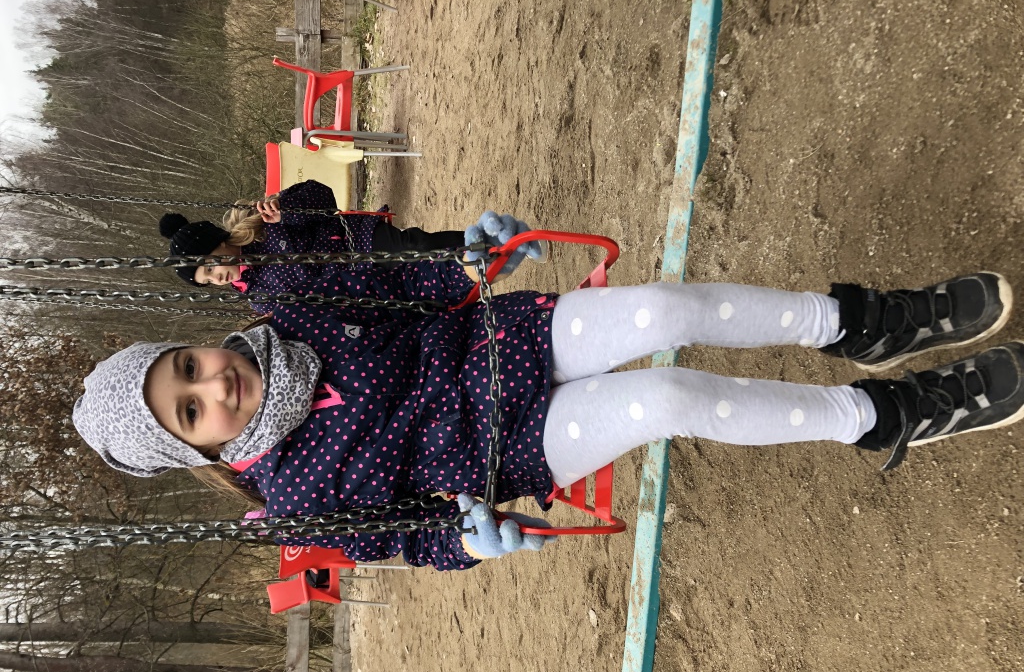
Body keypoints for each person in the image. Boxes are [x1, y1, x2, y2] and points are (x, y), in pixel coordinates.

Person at [73, 259, 1022, 571]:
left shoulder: (291, 306)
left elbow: (407, 281)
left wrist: (464, 257)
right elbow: (411, 539)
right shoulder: (297, 501)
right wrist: (472, 541)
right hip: (510, 446)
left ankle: (865, 324)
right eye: (191, 411)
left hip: (502, 343)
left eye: (188, 368)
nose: (215, 387)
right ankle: (885, 413)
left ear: (191, 344)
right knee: (665, 397)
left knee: (665, 310)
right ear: (197, 447)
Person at [162, 179, 475, 314]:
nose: (217, 279)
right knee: (427, 291)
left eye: (209, 267)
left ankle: (483, 244)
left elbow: (323, 196)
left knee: (416, 247)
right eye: (208, 281)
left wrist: (288, 211)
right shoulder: (259, 299)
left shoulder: (264, 222)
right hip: (362, 289)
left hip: (358, 242)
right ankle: (478, 280)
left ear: (216, 244)